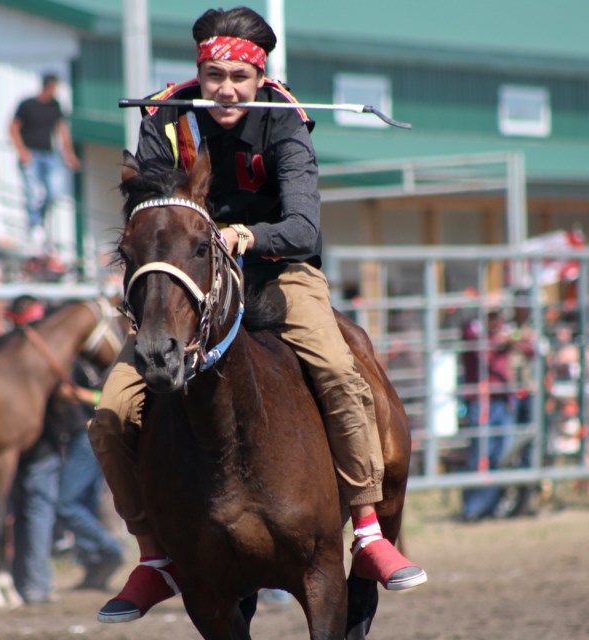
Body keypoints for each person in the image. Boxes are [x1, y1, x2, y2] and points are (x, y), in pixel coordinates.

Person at [87, 6, 426, 624]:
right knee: (109, 416)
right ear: (199, 71)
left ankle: (370, 530)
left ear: (261, 77)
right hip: (186, 279)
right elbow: (149, 198)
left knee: (340, 372)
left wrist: (246, 233)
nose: (225, 89)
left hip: (277, 269)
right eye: (214, 75)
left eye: (239, 78)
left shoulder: (286, 124)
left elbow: (303, 226)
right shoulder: (164, 114)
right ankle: (154, 556)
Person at [6, 295, 61, 605]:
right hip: (31, 449)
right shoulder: (39, 356)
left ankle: (27, 582)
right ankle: (34, 584)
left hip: (38, 449)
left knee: (29, 515)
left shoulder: (10, 353)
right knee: (33, 514)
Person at [53, 358, 125, 591]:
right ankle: (95, 565)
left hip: (85, 437)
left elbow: (106, 400)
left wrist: (79, 395)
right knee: (85, 503)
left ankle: (111, 551)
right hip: (82, 437)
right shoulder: (75, 363)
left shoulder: (85, 366)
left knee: (67, 504)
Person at [459, 309, 533, 521]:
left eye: (499, 316)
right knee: (480, 455)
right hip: (482, 400)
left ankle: (489, 508)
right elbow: (483, 356)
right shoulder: (474, 330)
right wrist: (500, 341)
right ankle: (473, 509)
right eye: (493, 316)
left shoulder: (505, 335)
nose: (498, 321)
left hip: (502, 400)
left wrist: (512, 340)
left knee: (499, 456)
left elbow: (531, 349)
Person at [9, 72, 80, 249]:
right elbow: (13, 127)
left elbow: (62, 130)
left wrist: (69, 153)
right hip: (32, 154)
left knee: (53, 193)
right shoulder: (27, 105)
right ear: (48, 86)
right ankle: (34, 226)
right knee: (34, 194)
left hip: (49, 154)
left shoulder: (55, 106)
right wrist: (22, 151)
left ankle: (39, 222)